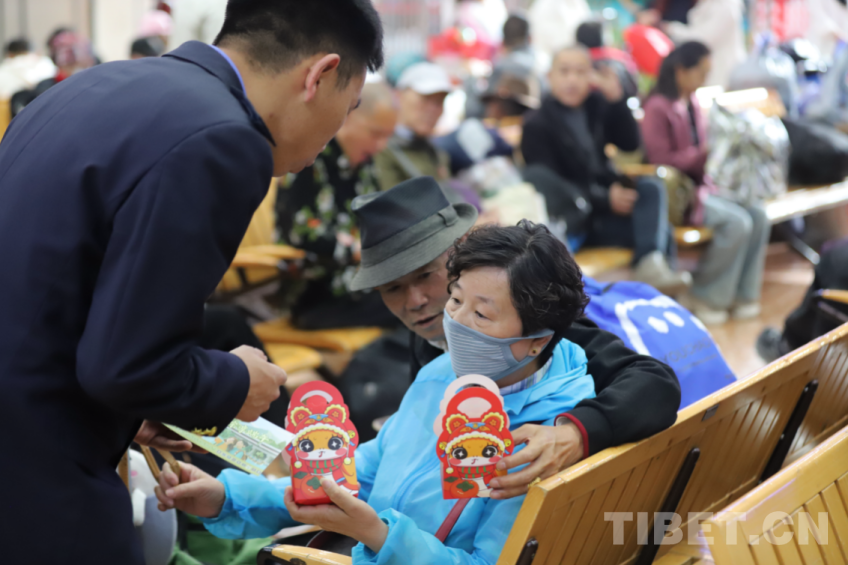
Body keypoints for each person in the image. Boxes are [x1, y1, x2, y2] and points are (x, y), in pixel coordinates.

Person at [0, 0, 383, 563]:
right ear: (319, 75)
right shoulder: (224, 139)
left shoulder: (90, 86)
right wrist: (236, 381)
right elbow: (127, 366)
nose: (337, 130)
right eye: (347, 108)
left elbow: (58, 293)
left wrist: (137, 407)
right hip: (39, 468)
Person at [155, 212, 597, 564]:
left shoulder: (543, 439)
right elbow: (358, 474)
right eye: (456, 299)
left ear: (537, 340)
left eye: (481, 315)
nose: (456, 323)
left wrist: (377, 535)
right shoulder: (441, 375)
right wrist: (227, 497)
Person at [343, 178, 680, 498]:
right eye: (392, 288)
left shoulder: (542, 332)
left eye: (425, 275)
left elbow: (655, 381)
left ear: (460, 252)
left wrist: (575, 433)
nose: (414, 300)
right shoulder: (427, 342)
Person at [521, 45, 691, 295]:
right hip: (578, 218)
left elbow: (630, 143)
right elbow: (549, 187)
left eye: (580, 72)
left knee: (651, 188)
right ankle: (660, 291)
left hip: (605, 208)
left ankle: (654, 277)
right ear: (550, 77)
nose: (572, 80)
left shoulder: (595, 106)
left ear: (591, 76)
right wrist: (604, 198)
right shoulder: (537, 124)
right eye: (564, 71)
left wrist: (617, 99)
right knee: (660, 229)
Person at [642, 42, 770, 324]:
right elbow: (659, 161)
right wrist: (706, 153)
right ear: (680, 70)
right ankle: (705, 295)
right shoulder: (657, 106)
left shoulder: (693, 102)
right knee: (736, 223)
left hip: (704, 187)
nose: (704, 79)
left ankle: (743, 295)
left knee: (759, 214)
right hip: (679, 197)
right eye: (701, 72)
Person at [276, 81, 400, 330]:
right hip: (315, 295)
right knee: (412, 304)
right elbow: (300, 233)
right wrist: (359, 250)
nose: (381, 146)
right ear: (348, 116)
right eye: (376, 134)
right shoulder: (309, 157)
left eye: (388, 136)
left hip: (360, 284)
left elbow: (380, 219)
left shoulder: (364, 163)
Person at [373, 62, 453, 192]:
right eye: (426, 98)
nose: (433, 109)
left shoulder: (436, 153)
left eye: (439, 102)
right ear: (398, 95)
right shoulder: (379, 147)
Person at [659, 0, 746, 88]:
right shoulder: (708, 4)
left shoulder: (726, 6)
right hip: (711, 72)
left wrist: (671, 29)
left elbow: (703, 40)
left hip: (723, 73)